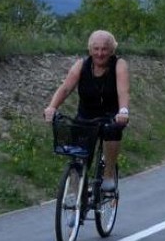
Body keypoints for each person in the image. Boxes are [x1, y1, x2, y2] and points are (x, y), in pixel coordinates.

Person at [43, 30, 130, 192]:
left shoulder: (119, 65)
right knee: (78, 157)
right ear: (90, 50)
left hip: (111, 116)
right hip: (86, 116)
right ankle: (76, 199)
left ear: (112, 50)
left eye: (104, 49)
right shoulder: (81, 65)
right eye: (96, 49)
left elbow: (123, 91)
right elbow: (66, 88)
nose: (100, 53)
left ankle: (109, 174)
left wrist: (123, 111)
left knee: (113, 132)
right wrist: (52, 107)